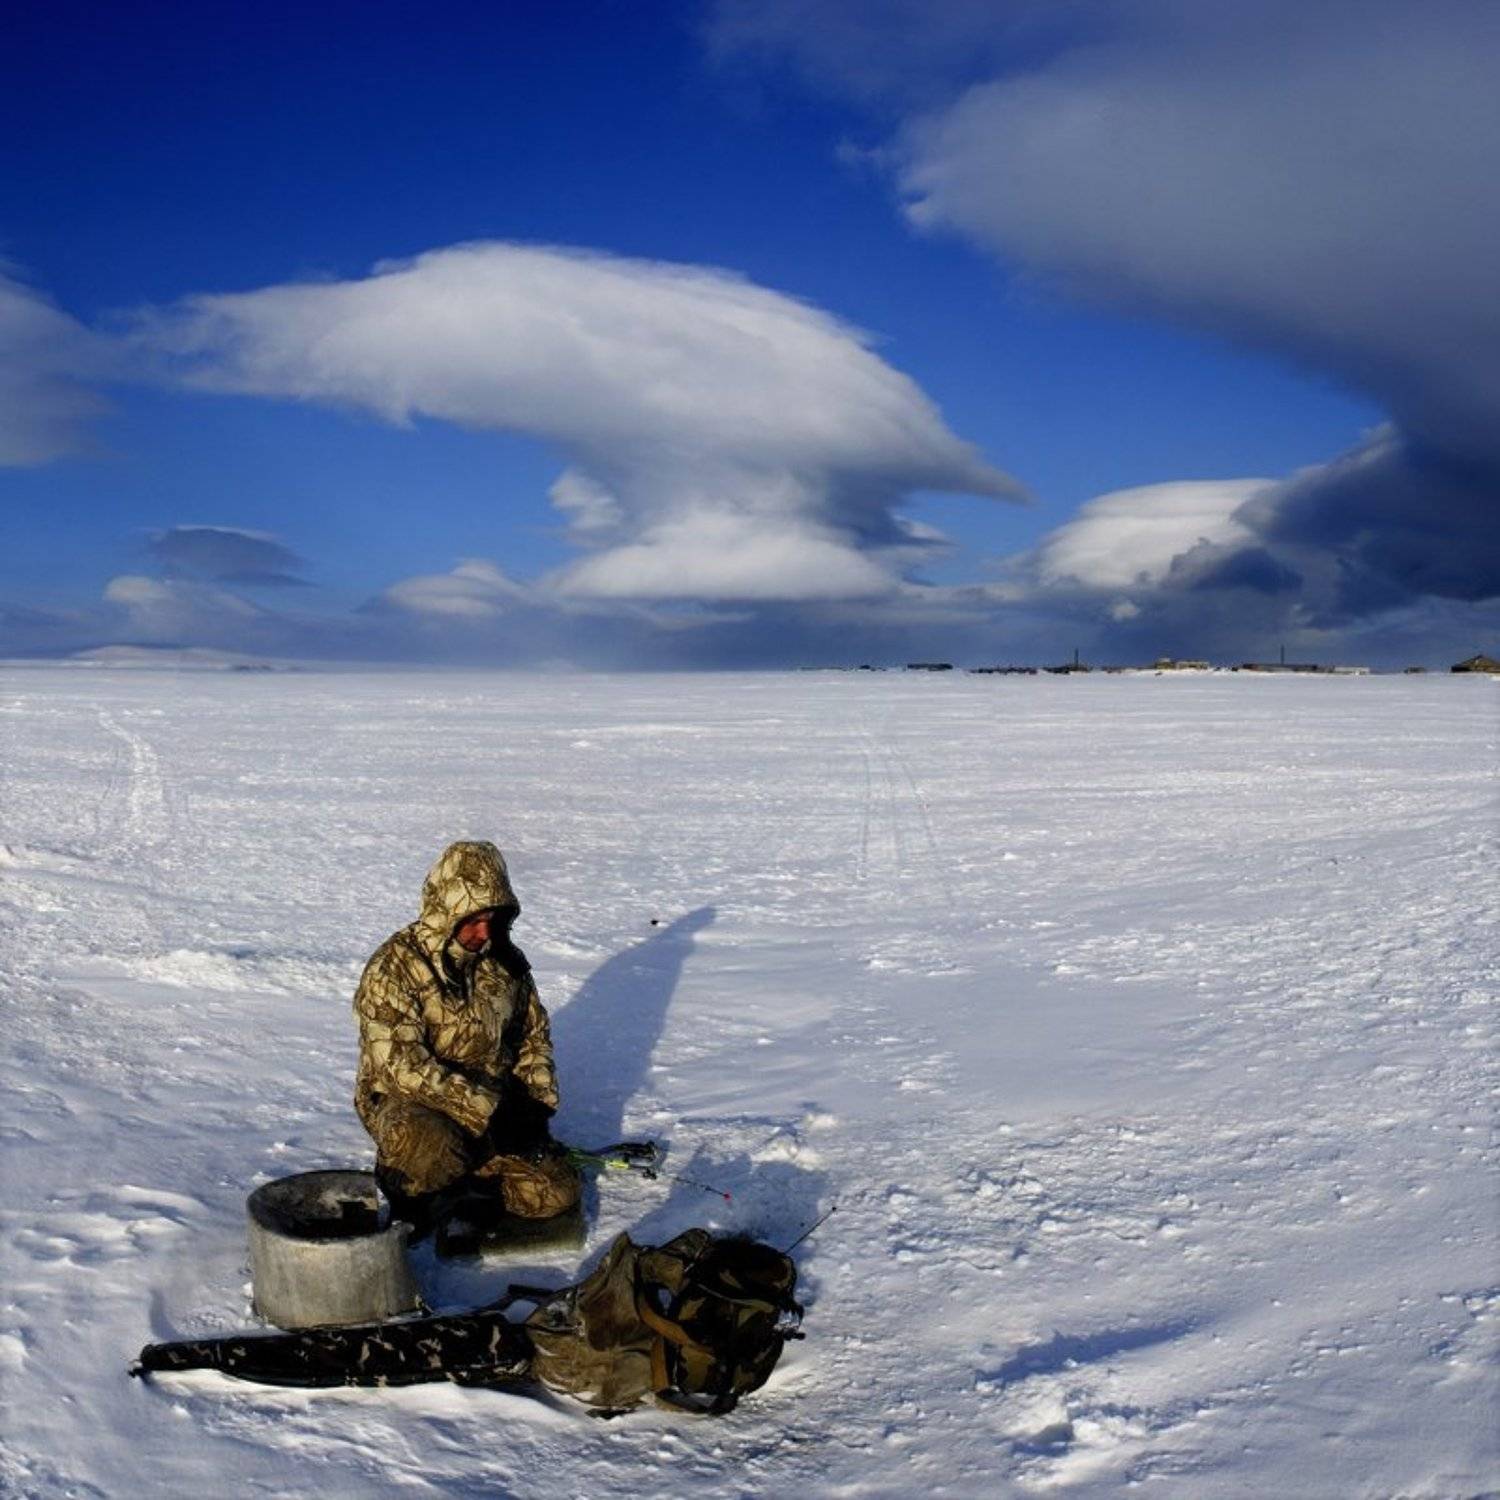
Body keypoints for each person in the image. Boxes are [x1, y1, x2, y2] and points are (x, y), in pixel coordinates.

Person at [353, 840, 580, 1242]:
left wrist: (533, 1106)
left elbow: (532, 1035)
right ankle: (424, 1192)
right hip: (413, 1103)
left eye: (492, 919)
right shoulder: (394, 967)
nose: (483, 932)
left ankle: (470, 1176)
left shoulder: (505, 961)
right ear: (446, 910)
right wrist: (486, 1110)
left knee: (555, 1192)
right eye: (472, 920)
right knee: (430, 1150)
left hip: (491, 1102)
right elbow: (401, 1068)